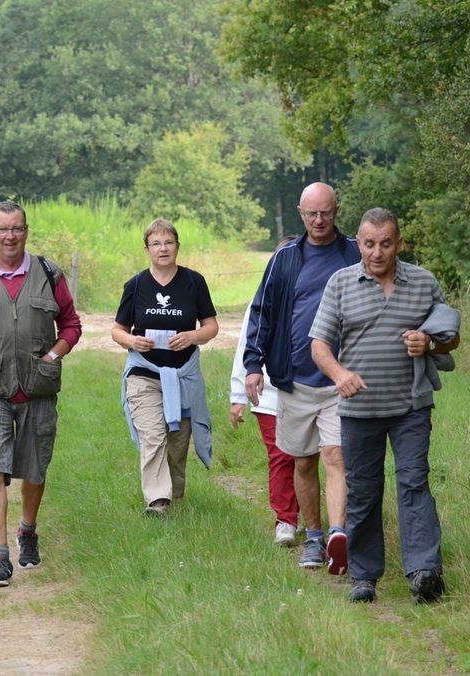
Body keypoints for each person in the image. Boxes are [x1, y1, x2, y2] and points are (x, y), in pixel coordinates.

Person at [309, 207, 460, 604]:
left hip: (411, 406)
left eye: (386, 243)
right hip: (359, 410)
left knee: (414, 483)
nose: (377, 252)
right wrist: (340, 375)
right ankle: (364, 576)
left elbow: (450, 337)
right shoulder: (340, 283)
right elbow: (319, 345)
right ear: (359, 242)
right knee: (363, 490)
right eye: (369, 243)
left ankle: (424, 572)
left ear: (399, 243)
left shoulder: (424, 283)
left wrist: (428, 343)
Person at [0, 201, 81, 587]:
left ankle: (28, 529)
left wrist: (54, 354)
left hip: (38, 388)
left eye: (17, 228)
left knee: (36, 468)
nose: (10, 236)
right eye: (2, 229)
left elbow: (70, 323)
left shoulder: (47, 272)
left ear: (26, 231)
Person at [244, 182, 361, 574]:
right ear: (300, 212)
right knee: (304, 462)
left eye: (325, 213)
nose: (318, 220)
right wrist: (252, 366)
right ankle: (312, 536)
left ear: (337, 210)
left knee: (335, 456)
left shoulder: (353, 254)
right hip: (294, 378)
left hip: (339, 380)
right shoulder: (285, 259)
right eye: (311, 213)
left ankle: (337, 535)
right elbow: (262, 312)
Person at [112, 218, 219, 517]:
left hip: (182, 375)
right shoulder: (135, 285)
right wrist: (132, 341)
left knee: (177, 442)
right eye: (156, 243)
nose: (163, 248)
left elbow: (211, 326)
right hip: (144, 374)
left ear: (177, 246)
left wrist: (192, 336)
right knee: (153, 436)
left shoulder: (194, 282)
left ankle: (175, 493)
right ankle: (158, 501)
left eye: (168, 242)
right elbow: (117, 330)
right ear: (147, 249)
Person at [229, 236, 300, 546]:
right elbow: (245, 346)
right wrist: (237, 396)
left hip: (312, 390)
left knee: (313, 458)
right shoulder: (260, 303)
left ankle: (322, 523)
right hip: (268, 393)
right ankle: (285, 520)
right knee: (281, 456)